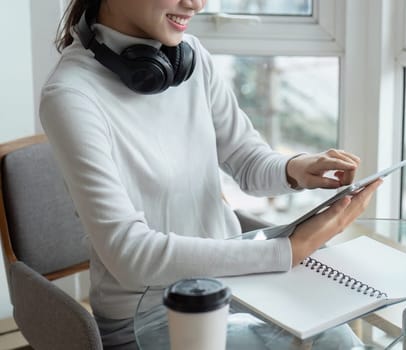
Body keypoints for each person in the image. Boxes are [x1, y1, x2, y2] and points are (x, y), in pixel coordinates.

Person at [41, 0, 381, 348]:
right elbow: (130, 255)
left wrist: (294, 169)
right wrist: (288, 250)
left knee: (337, 337)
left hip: (236, 287)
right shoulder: (71, 95)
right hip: (151, 316)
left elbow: (246, 159)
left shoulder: (189, 57)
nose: (197, 3)